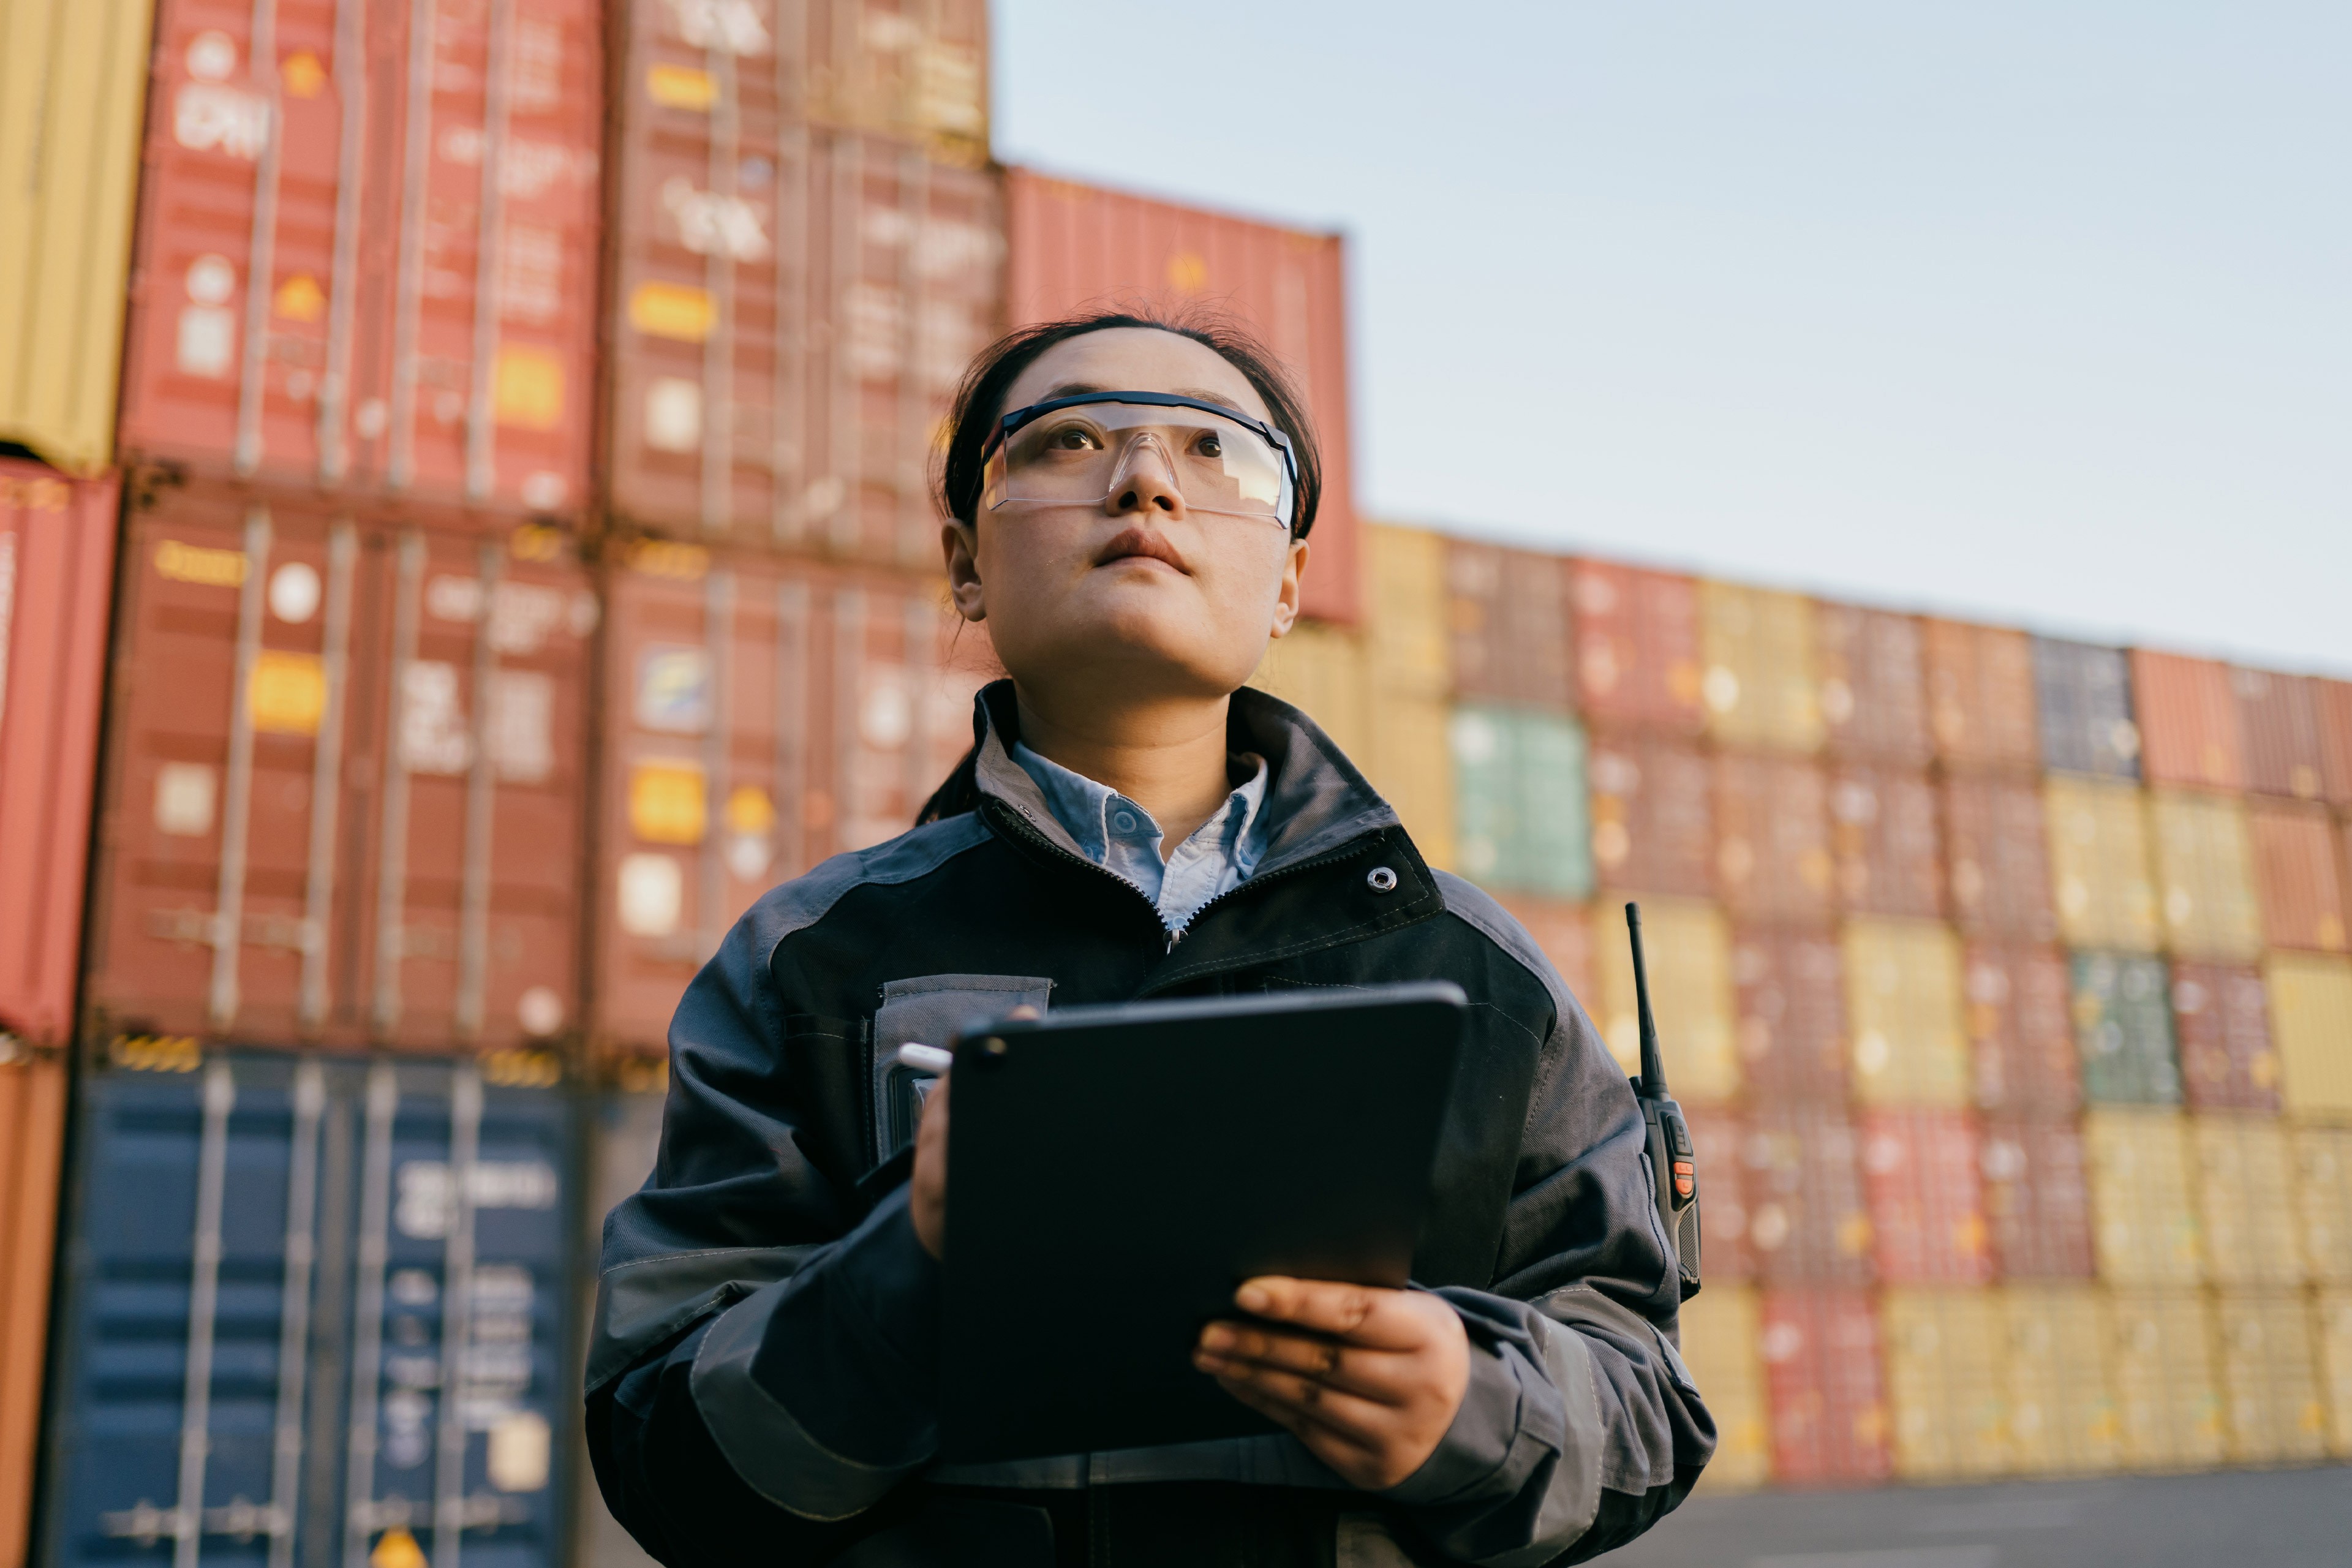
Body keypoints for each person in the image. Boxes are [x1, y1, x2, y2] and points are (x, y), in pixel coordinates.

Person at [584, 310, 1716, 1567]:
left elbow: (1648, 1400)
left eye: (1217, 448)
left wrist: (1472, 1402)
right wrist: (914, 1263)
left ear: (1287, 582)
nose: (1146, 477)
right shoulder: (809, 961)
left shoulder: (1475, 964)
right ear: (966, 560)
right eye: (1066, 437)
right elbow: (666, 1453)